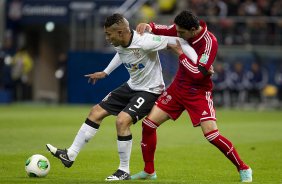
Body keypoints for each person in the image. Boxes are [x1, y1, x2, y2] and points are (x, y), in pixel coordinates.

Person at [46, 13, 197, 181]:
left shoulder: (145, 41)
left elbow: (180, 42)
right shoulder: (120, 42)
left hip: (150, 90)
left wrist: (198, 63)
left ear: (120, 32)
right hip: (132, 85)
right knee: (95, 112)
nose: (107, 38)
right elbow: (121, 53)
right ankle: (70, 154)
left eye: (108, 34)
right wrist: (105, 72)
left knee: (122, 121)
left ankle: (123, 170)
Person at [131, 10, 252, 182]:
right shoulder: (183, 28)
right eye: (178, 31)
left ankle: (243, 167)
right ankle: (149, 171)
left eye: (181, 33)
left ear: (194, 29)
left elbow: (197, 74)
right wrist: (149, 26)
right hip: (178, 89)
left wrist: (180, 53)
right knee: (149, 125)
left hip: (198, 93)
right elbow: (166, 29)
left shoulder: (210, 42)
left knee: (211, 135)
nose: (178, 34)